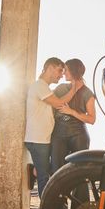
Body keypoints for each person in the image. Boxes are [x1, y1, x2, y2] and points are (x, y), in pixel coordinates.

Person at [25, 57, 82, 197]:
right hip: (38, 140)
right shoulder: (39, 85)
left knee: (52, 170)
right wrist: (74, 89)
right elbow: (59, 104)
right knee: (44, 178)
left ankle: (35, 169)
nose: (61, 74)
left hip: (43, 139)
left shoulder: (45, 88)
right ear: (49, 68)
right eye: (59, 70)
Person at [50, 59, 96, 174]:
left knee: (80, 173)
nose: (64, 73)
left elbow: (91, 119)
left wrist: (72, 112)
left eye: (66, 70)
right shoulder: (60, 88)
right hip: (58, 133)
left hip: (78, 133)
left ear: (74, 71)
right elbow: (49, 106)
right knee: (57, 172)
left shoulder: (88, 93)